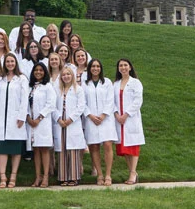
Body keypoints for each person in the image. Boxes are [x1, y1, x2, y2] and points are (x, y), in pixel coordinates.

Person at [0, 53, 28, 188]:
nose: (10, 64)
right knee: (2, 148)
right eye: (7, 61)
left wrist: (22, 116)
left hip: (16, 119)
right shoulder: (1, 80)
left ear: (16, 63)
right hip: (2, 118)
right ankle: (3, 176)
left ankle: (13, 176)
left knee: (15, 149)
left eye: (12, 61)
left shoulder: (21, 79)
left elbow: (24, 98)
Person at [83, 59, 117, 187]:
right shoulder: (85, 84)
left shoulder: (107, 82)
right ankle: (99, 174)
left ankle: (108, 174)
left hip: (106, 119)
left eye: (97, 66)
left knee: (108, 144)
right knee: (94, 146)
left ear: (101, 68)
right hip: (91, 119)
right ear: (89, 69)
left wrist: (103, 115)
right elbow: (82, 102)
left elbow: (110, 100)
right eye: (93, 66)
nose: (95, 68)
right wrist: (90, 115)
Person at [53, 66, 86, 186]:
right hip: (60, 122)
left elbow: (81, 106)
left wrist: (70, 119)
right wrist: (58, 118)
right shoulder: (57, 90)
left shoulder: (78, 89)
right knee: (61, 149)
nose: (66, 76)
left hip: (72, 122)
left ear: (72, 76)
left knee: (72, 150)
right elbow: (53, 106)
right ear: (61, 77)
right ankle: (63, 177)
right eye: (64, 75)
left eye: (68, 74)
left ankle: (74, 177)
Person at [114, 59, 145, 185]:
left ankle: (133, 172)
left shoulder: (136, 83)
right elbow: (112, 101)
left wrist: (126, 115)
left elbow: (138, 101)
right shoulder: (115, 84)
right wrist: (116, 114)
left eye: (125, 65)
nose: (123, 68)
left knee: (133, 146)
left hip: (130, 118)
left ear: (130, 67)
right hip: (119, 119)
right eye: (120, 66)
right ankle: (132, 171)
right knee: (124, 148)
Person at [26, 63, 56, 188]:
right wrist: (28, 117)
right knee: (35, 149)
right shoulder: (30, 87)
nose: (38, 72)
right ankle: (37, 176)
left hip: (42, 122)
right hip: (31, 122)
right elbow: (25, 104)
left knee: (44, 149)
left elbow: (51, 104)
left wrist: (39, 118)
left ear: (45, 72)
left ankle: (45, 177)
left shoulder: (48, 86)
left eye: (41, 70)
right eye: (36, 70)